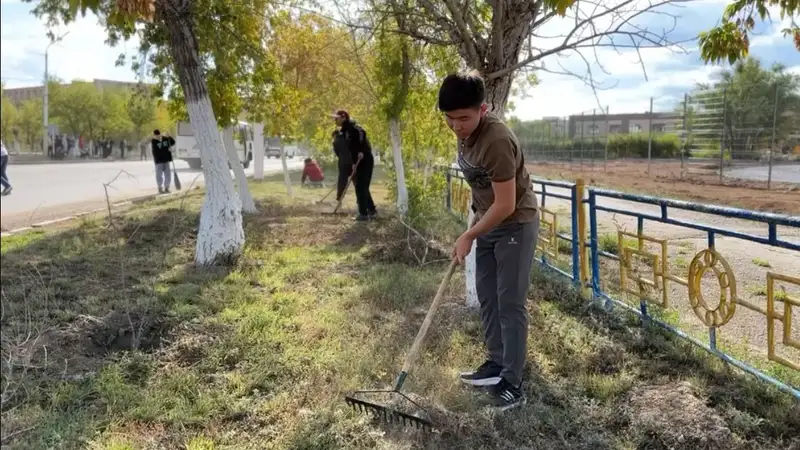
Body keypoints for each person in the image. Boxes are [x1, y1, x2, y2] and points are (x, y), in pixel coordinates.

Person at [439, 71, 539, 411]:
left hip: (515, 224)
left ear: (483, 109)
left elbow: (507, 204)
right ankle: (496, 363)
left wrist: (469, 234)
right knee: (488, 297)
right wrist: (474, 221)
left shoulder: (496, 139)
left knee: (509, 302)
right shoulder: (462, 132)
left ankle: (513, 381)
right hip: (487, 221)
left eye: (463, 118)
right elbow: (481, 189)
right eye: (449, 119)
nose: (456, 126)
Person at [332, 110, 376, 221]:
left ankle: (363, 214)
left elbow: (362, 132)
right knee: (362, 186)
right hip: (358, 160)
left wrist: (361, 150)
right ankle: (371, 210)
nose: (335, 120)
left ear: (343, 117)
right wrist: (353, 162)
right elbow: (352, 149)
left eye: (336, 118)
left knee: (360, 186)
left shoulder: (352, 126)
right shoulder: (345, 130)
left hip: (364, 159)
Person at [151, 129, 175, 194]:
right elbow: (155, 152)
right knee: (159, 175)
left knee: (168, 174)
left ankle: (167, 188)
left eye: (157, 135)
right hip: (159, 161)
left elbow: (173, 142)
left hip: (166, 160)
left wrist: (169, 136)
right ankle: (160, 188)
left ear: (160, 134)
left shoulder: (165, 139)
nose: (156, 136)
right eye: (155, 136)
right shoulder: (154, 141)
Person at [332, 129, 352, 201]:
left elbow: (337, 153)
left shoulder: (335, 141)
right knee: (358, 182)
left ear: (334, 135)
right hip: (354, 162)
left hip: (344, 163)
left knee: (342, 181)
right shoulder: (348, 137)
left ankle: (339, 198)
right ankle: (362, 202)